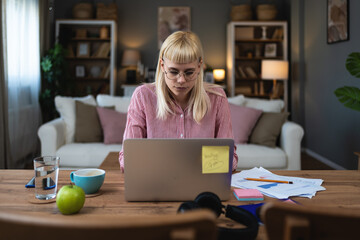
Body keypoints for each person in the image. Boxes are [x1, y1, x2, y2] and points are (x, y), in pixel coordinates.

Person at [119, 31, 238, 172]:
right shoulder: (143, 96)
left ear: (199, 66)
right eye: (173, 72)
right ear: (162, 65)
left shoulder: (217, 98)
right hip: (156, 186)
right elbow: (127, 159)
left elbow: (230, 159)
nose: (181, 80)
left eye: (189, 72)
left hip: (203, 185)